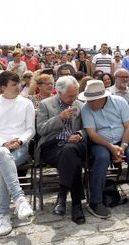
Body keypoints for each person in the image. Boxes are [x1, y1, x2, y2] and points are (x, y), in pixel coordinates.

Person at [80, 80, 129, 217]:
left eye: (92, 101)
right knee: (102, 157)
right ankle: (95, 201)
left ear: (102, 98)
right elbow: (91, 133)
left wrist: (122, 147)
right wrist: (110, 147)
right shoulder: (86, 108)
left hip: (124, 140)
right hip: (101, 142)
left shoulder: (120, 102)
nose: (90, 103)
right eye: (88, 100)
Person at [0, 71, 35, 236]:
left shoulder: (27, 103)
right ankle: (19, 199)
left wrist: (19, 141)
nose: (18, 87)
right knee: (3, 155)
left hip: (19, 148)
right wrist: (3, 143)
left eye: (18, 83)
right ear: (3, 87)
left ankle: (3, 215)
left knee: (1, 167)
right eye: (13, 84)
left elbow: (30, 130)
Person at [36, 76, 87, 224]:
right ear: (59, 92)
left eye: (75, 94)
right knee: (73, 160)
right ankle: (76, 204)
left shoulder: (80, 105)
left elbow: (87, 128)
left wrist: (79, 134)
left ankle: (62, 197)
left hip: (75, 144)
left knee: (70, 150)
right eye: (70, 95)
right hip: (52, 145)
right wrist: (59, 118)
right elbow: (40, 130)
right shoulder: (46, 104)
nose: (74, 98)